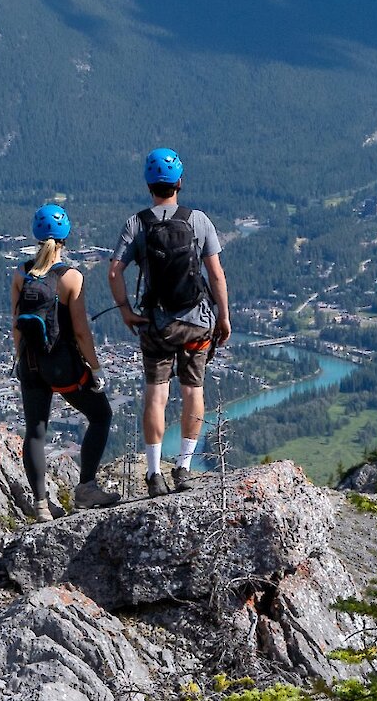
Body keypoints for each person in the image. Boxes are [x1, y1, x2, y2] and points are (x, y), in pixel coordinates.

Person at [107, 148, 232, 498]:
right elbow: (216, 275)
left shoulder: (137, 224)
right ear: (179, 182)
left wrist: (126, 310)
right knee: (193, 391)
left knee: (156, 395)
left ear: (149, 184)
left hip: (156, 324)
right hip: (197, 323)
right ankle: (184, 467)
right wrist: (223, 316)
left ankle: (153, 473)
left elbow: (114, 271)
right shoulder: (198, 221)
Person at [12, 202, 121, 520]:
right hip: (62, 365)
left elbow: (15, 323)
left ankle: (41, 505)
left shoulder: (21, 273)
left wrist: (21, 362)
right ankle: (86, 488)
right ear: (66, 237)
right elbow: (82, 333)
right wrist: (96, 369)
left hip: (30, 363)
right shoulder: (72, 277)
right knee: (100, 415)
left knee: (35, 430)